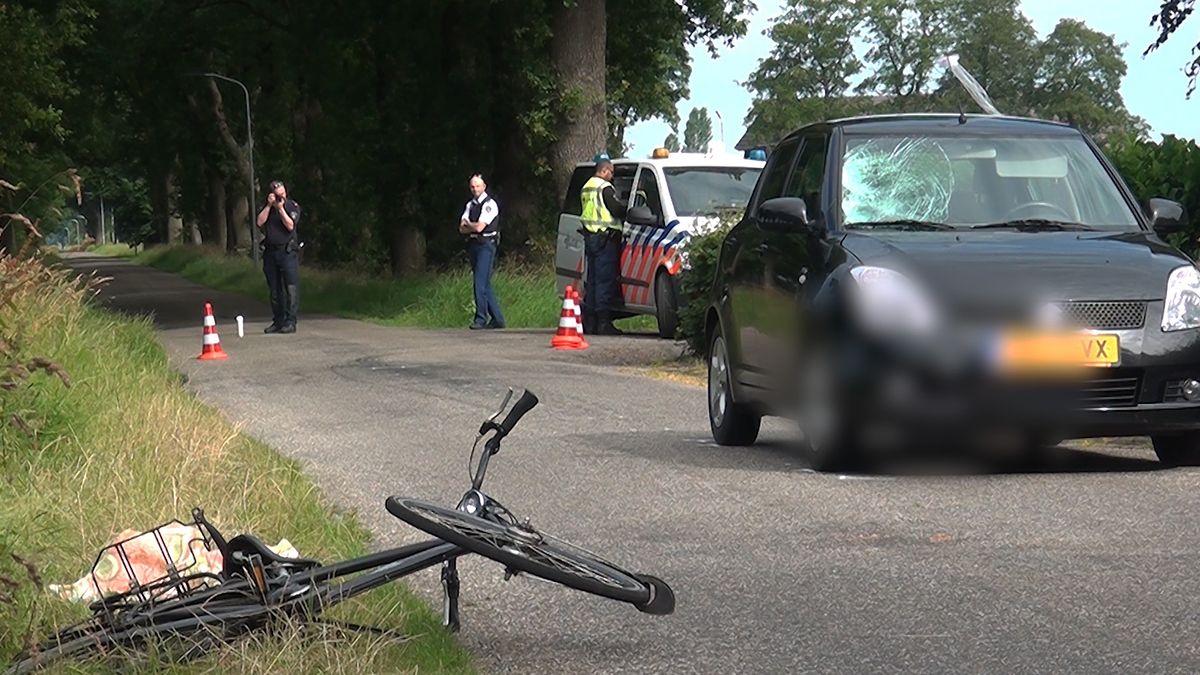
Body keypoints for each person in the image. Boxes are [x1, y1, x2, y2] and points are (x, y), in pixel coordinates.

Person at [579, 159, 627, 335]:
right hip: (605, 238)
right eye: (611, 173)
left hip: (590, 237)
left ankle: (589, 323)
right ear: (605, 171)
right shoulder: (604, 188)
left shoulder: (586, 186)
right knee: (605, 281)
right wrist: (627, 209)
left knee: (592, 280)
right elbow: (615, 210)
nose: (612, 177)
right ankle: (603, 323)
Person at [459, 174, 506, 330]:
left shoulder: (489, 204)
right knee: (485, 283)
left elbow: (480, 227)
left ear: (484, 187)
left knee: (479, 282)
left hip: (487, 244)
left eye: (478, 186)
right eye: (472, 186)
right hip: (474, 244)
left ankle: (480, 318)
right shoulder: (470, 205)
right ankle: (498, 319)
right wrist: (472, 226)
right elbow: (461, 228)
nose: (475, 189)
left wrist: (469, 225)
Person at [256, 180, 302, 334]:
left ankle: (291, 321)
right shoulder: (267, 208)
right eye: (277, 195)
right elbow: (259, 222)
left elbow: (290, 226)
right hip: (270, 252)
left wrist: (281, 208)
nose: (281, 197)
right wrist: (269, 206)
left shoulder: (291, 206)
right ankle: (278, 320)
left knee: (291, 287)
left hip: (287, 252)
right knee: (275, 290)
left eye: (282, 194)